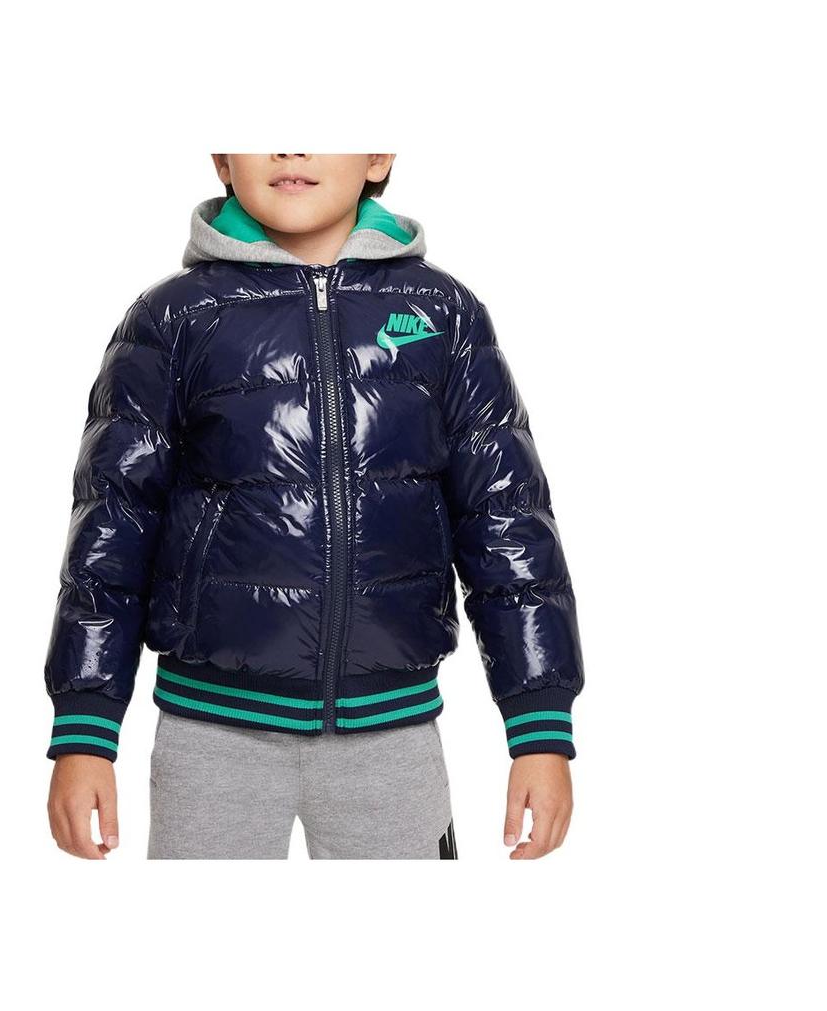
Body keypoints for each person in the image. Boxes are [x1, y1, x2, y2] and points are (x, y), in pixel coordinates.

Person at [44, 154, 584, 860]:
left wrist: (539, 726)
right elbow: (113, 522)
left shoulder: (443, 314)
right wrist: (85, 729)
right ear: (222, 158)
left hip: (391, 734)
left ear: (377, 154)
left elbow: (505, 518)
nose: (292, 146)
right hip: (213, 735)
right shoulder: (173, 318)